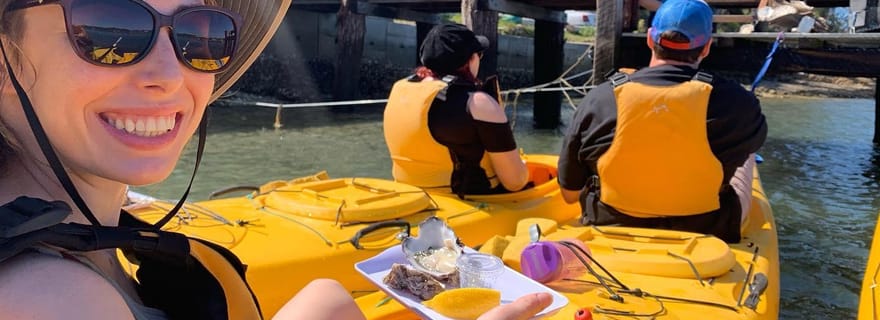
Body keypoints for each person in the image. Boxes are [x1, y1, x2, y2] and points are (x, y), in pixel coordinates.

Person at [0, 0, 551, 318]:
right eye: (108, 30)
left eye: (202, 35)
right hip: (462, 197)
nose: (171, 75)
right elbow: (514, 176)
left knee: (328, 300)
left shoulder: (77, 231)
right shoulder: (49, 299)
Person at [557, 0, 767, 243]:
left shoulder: (599, 98)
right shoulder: (739, 103)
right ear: (707, 47)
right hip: (709, 228)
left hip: (609, 222)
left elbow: (570, 194)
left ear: (649, 39)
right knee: (747, 153)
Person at [383, 23, 529, 199]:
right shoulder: (478, 103)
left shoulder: (400, 89)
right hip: (468, 202)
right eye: (479, 54)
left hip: (410, 197)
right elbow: (515, 182)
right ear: (469, 60)